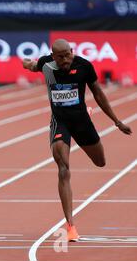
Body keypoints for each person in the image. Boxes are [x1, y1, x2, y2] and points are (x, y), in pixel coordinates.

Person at [22, 39, 132, 242]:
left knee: (101, 162)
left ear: (72, 52)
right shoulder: (46, 65)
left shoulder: (84, 66)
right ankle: (70, 225)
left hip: (81, 120)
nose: (65, 60)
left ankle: (87, 113)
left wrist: (117, 121)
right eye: (61, 57)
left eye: (68, 55)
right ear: (53, 56)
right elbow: (30, 65)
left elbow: (98, 93)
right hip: (60, 121)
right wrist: (26, 62)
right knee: (63, 169)